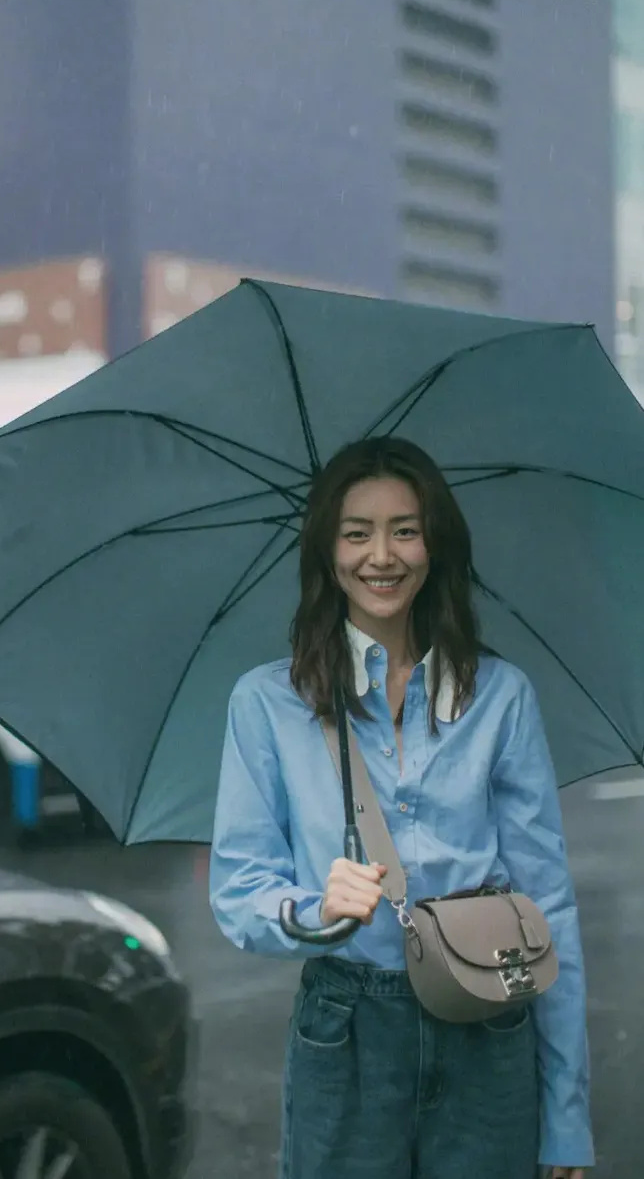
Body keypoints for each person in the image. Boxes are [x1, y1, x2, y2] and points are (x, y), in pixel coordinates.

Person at [209, 436, 593, 1179]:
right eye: (356, 533)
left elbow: (549, 904)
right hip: (346, 1029)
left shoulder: (500, 696)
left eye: (404, 530)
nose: (380, 556)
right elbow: (239, 888)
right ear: (327, 553)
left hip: (490, 1019)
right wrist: (314, 910)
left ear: (434, 545)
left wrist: (566, 1115)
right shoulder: (268, 702)